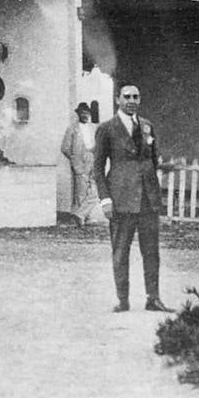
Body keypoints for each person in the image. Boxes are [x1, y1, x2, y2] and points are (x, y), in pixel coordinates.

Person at [93, 84, 172, 313]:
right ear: (118, 99)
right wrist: (105, 200)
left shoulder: (147, 126)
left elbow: (153, 160)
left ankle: (153, 298)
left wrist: (161, 172)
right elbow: (98, 168)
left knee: (151, 250)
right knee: (120, 250)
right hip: (121, 199)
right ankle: (123, 299)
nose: (131, 100)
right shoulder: (107, 129)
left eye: (135, 96)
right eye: (126, 96)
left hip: (147, 199)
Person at [61, 102, 100, 227]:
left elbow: (97, 144)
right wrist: (74, 160)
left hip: (92, 159)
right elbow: (65, 148)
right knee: (81, 192)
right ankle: (82, 219)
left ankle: (80, 214)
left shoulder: (93, 127)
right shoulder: (73, 128)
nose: (85, 115)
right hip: (79, 162)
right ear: (78, 114)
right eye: (82, 113)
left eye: (86, 113)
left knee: (94, 191)